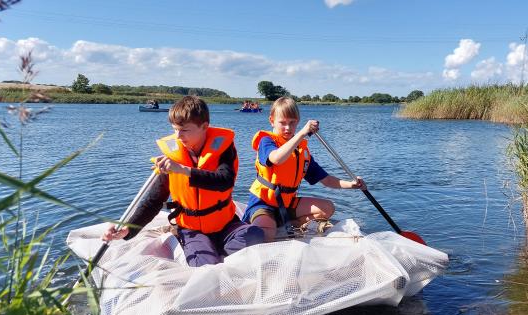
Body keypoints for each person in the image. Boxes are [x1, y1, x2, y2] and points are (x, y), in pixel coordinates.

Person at [103, 96, 264, 266]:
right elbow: (154, 200)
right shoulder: (172, 158)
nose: (178, 136)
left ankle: (220, 252)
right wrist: (128, 229)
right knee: (206, 265)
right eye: (175, 130)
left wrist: (183, 169)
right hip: (191, 229)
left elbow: (224, 181)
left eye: (184, 130)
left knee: (254, 234)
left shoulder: (224, 149)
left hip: (225, 224)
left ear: (204, 127)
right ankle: (210, 253)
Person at [242, 96, 366, 241]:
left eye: (292, 122)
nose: (288, 128)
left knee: (328, 208)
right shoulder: (267, 141)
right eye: (282, 123)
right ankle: (272, 225)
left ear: (297, 122)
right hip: (263, 202)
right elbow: (276, 158)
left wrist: (351, 185)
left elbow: (326, 180)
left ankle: (291, 225)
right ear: (272, 121)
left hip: (287, 204)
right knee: (266, 234)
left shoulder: (302, 152)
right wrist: (301, 133)